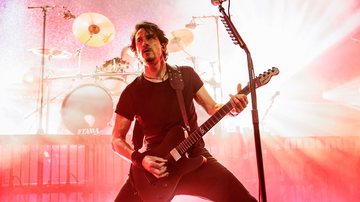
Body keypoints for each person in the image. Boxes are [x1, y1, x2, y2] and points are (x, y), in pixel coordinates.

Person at [111, 21, 257, 202]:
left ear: (163, 45)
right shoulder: (132, 92)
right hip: (156, 167)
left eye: (150, 37)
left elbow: (213, 108)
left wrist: (232, 109)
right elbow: (116, 139)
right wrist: (141, 160)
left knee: (242, 199)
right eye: (139, 41)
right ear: (137, 53)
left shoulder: (186, 75)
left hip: (193, 155)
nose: (144, 43)